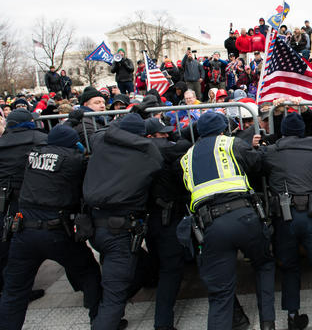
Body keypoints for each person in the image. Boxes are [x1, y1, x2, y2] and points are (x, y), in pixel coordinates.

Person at [179, 112, 276, 330]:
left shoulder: (187, 156)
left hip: (211, 226)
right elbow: (258, 163)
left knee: (220, 293)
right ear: (223, 129)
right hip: (244, 216)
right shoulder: (231, 143)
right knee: (264, 264)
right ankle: (268, 324)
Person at [0, 125, 101, 330]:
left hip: (23, 232)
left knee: (14, 290)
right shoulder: (75, 161)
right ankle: (100, 320)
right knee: (89, 272)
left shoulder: (32, 155)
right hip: (56, 231)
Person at [260, 113, 312, 330]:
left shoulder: (271, 153)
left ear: (283, 133)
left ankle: (293, 316)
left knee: (289, 268)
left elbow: (255, 164)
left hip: (285, 218)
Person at [83, 113, 163, 330]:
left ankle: (98, 312)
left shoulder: (100, 143)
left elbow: (105, 131)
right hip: (120, 233)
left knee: (143, 267)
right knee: (114, 298)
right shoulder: (148, 153)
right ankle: (102, 320)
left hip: (96, 227)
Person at [142, 118, 195, 330]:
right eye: (161, 135)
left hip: (149, 217)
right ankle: (163, 322)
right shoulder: (167, 153)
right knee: (170, 269)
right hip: (167, 218)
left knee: (158, 259)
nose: (166, 137)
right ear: (149, 138)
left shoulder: (135, 154)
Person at [0, 109, 48, 304]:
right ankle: (18, 290)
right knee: (22, 246)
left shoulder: (2, 142)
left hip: (4, 198)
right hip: (27, 197)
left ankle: (9, 288)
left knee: (6, 244)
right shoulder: (40, 138)